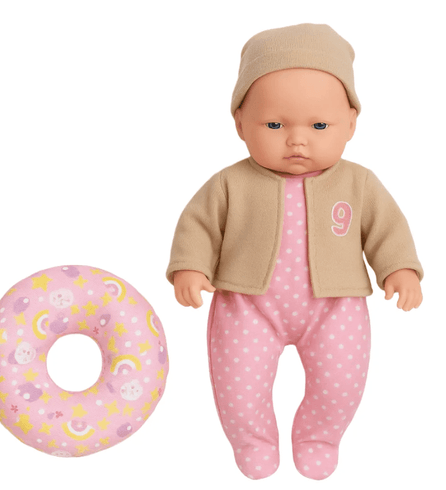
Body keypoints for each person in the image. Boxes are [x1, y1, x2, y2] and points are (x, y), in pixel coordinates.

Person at [166, 23, 423, 480]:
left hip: (336, 306)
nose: (297, 139)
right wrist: (190, 266)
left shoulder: (358, 183)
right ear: (240, 123)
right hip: (247, 304)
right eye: (275, 125)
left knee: (340, 384)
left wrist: (399, 268)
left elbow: (387, 229)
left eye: (319, 125)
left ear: (351, 123)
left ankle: (320, 438)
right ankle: (253, 441)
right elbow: (198, 225)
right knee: (238, 387)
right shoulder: (231, 183)